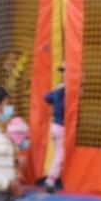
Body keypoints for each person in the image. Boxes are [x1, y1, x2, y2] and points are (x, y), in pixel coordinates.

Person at [43, 64, 66, 193]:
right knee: (59, 154)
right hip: (61, 126)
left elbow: (47, 97)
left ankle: (55, 178)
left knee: (59, 153)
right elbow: (63, 106)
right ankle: (50, 180)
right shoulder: (64, 89)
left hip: (55, 125)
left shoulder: (61, 88)